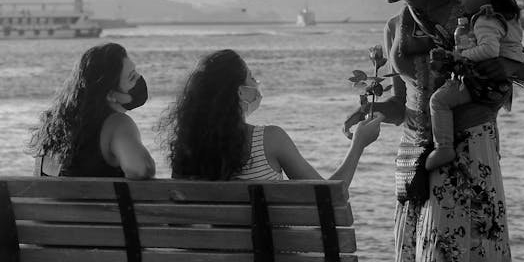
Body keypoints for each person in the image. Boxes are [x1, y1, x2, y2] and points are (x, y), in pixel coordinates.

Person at [344, 0, 524, 262]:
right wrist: (372, 109)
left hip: (466, 150)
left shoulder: (467, 11)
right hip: (415, 159)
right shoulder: (394, 27)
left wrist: (506, 65)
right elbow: (402, 107)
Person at [160, 49, 383, 185]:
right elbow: (332, 197)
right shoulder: (270, 140)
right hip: (268, 261)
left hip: (206, 261)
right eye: (252, 77)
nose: (257, 84)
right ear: (239, 92)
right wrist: (358, 145)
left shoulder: (188, 149)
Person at [425, 0, 524, 170]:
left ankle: (443, 147)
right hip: (500, 86)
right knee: (489, 119)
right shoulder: (509, 17)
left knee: (438, 101)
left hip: (484, 81)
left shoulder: (485, 20)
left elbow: (489, 50)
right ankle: (494, 152)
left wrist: (459, 56)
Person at [29, 43, 156, 179]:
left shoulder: (53, 125)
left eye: (136, 72)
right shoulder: (117, 124)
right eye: (132, 77)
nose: (139, 78)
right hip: (101, 200)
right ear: (110, 94)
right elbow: (141, 169)